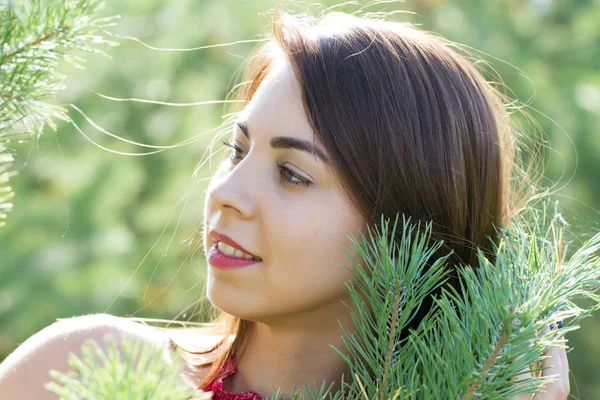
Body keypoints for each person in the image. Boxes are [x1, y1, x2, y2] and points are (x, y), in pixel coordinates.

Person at [0, 5, 570, 400]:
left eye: (293, 175)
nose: (226, 194)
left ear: (406, 224)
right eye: (236, 150)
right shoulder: (80, 371)